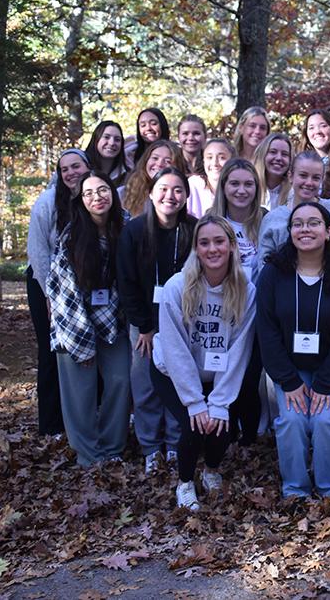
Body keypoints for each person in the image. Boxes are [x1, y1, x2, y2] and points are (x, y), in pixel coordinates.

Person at [256, 202, 330, 501]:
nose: (305, 229)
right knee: (291, 420)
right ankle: (295, 490)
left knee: (326, 420)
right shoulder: (272, 274)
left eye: (313, 223)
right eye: (298, 224)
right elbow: (266, 331)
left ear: (329, 231)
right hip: (289, 369)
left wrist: (326, 383)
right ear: (290, 232)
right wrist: (288, 381)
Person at [152, 215, 257, 510]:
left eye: (219, 241)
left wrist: (220, 401)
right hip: (172, 371)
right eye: (205, 242)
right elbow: (176, 350)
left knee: (222, 423)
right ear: (196, 248)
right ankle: (185, 483)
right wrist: (195, 401)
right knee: (194, 424)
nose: (213, 249)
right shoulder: (177, 287)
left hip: (218, 371)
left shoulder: (246, 290)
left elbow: (239, 348)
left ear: (232, 246)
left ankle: (211, 469)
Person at [46, 171, 131, 466]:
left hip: (115, 321)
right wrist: (80, 344)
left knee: (121, 380)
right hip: (74, 322)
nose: (98, 197)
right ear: (81, 201)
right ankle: (88, 454)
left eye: (103, 189)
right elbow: (62, 292)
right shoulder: (71, 237)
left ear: (112, 192)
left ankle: (112, 447)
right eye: (89, 193)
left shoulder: (126, 226)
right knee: (79, 393)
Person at [117, 167, 194, 473]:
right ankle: (151, 447)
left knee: (178, 382)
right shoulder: (134, 231)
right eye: (163, 189)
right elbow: (126, 281)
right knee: (146, 384)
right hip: (144, 323)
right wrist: (145, 326)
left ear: (186, 195)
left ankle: (175, 444)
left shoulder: (192, 229)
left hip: (182, 322)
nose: (170, 196)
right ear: (151, 193)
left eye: (177, 190)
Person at [26, 148, 90, 438]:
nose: (71, 173)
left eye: (76, 166)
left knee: (84, 351)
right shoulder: (48, 202)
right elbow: (39, 253)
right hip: (46, 285)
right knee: (52, 352)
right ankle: (51, 425)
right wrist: (49, 297)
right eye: (65, 169)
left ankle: (84, 417)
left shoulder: (93, 197)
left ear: (87, 166)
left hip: (81, 286)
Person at [210, 158, 268, 444]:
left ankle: (250, 439)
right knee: (221, 373)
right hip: (219, 315)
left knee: (250, 378)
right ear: (224, 187)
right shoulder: (210, 220)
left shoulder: (266, 219)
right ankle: (225, 435)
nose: (241, 190)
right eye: (235, 183)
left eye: (248, 184)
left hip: (256, 315)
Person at [257, 151, 330, 272]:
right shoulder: (272, 219)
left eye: (315, 178)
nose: (309, 183)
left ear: (322, 180)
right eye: (303, 175)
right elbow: (264, 267)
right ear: (291, 176)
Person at [121, 140, 185, 219]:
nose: (159, 164)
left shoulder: (182, 194)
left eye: (168, 161)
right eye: (155, 158)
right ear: (146, 160)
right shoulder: (124, 192)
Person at [187, 139, 234, 218]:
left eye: (222, 157)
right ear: (203, 161)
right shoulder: (193, 184)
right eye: (209, 157)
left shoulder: (238, 187)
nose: (215, 163)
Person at [253, 132, 293, 211]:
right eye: (273, 152)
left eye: (284, 154)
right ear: (263, 155)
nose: (278, 158)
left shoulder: (293, 193)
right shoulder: (251, 187)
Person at [84, 121, 128, 186]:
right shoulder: (82, 170)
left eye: (117, 139)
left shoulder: (128, 176)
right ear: (96, 139)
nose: (112, 143)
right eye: (106, 137)